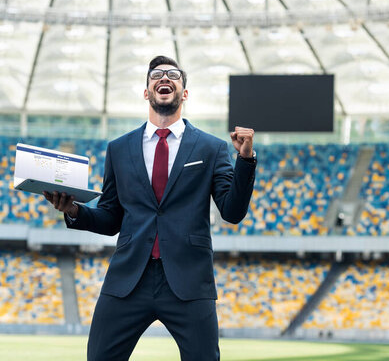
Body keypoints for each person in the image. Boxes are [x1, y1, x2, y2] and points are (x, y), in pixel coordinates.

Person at [43, 55, 256, 360]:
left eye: (173, 75)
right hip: (129, 278)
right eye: (156, 75)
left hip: (188, 280)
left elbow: (232, 212)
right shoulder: (119, 148)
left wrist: (245, 161)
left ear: (184, 92)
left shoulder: (212, 148)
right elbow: (110, 218)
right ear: (147, 92)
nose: (164, 78)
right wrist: (74, 211)